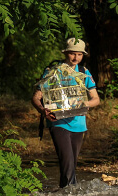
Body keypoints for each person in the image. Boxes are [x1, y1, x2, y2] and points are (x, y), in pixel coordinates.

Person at [31, 38, 100, 188]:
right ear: (65, 53)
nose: (76, 58)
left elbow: (96, 99)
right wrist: (43, 111)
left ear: (83, 56)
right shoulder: (52, 71)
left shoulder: (84, 72)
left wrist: (84, 104)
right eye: (72, 54)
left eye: (79, 55)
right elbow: (36, 98)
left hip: (79, 124)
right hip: (58, 122)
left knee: (70, 166)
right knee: (67, 162)